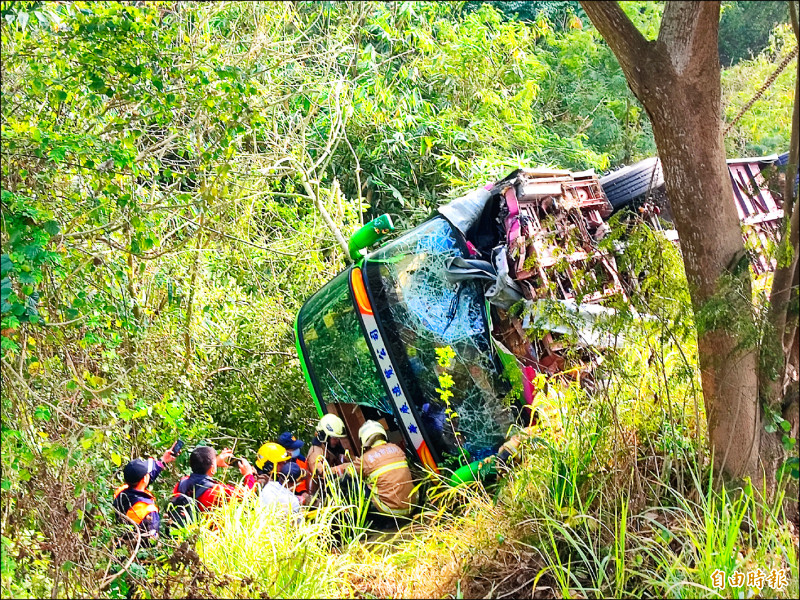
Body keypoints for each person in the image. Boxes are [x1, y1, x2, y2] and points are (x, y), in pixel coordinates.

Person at [333, 420, 418, 529]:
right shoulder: (397, 449)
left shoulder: (366, 459)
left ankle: (373, 523)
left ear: (364, 439)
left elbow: (346, 478)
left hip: (391, 512)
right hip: (412, 505)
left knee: (352, 484)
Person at [168, 446, 256, 520]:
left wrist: (214, 464)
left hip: (181, 533)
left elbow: (198, 477)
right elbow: (246, 495)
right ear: (212, 469)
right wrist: (248, 474)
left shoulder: (181, 483)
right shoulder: (216, 491)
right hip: (206, 537)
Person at [112, 448, 176, 544]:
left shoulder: (121, 491)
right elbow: (152, 540)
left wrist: (163, 461)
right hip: (138, 549)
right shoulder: (148, 510)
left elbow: (146, 479)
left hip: (122, 542)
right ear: (144, 479)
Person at [306, 414, 350, 495]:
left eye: (338, 438)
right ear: (324, 436)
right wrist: (346, 467)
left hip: (337, 485)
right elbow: (322, 472)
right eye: (334, 438)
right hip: (324, 492)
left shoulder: (332, 447)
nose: (337, 441)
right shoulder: (315, 452)